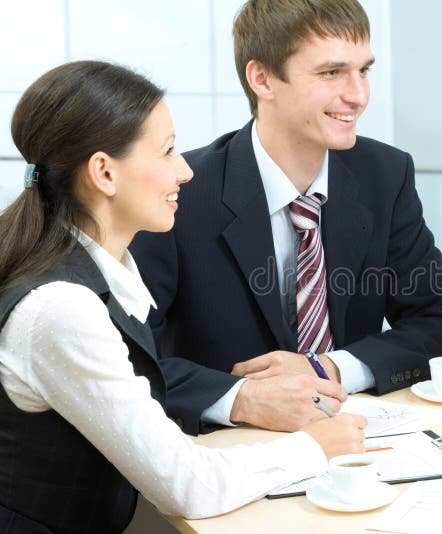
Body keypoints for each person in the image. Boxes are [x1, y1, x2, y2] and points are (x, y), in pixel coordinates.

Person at [0, 60, 367, 533]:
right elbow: (187, 486)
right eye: (168, 152)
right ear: (104, 173)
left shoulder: (98, 273)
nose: (186, 171)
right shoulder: (61, 309)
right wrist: (317, 446)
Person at [130, 0, 442, 436]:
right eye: (331, 73)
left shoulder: (385, 175)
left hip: (354, 446)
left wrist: (328, 368)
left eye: (363, 70)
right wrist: (242, 398)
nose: (358, 95)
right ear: (262, 79)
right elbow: (131, 357)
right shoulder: (180, 192)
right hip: (229, 456)